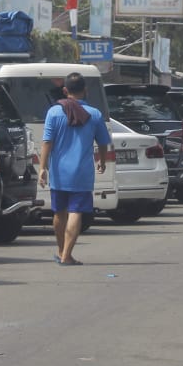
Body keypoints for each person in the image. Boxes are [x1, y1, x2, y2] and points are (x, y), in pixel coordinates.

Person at [37, 72, 111, 265]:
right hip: (82, 172)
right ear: (85, 90)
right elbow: (103, 143)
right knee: (75, 211)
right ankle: (66, 255)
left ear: (65, 90)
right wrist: (102, 161)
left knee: (59, 212)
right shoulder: (94, 114)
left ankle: (62, 252)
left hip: (59, 172)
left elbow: (47, 143)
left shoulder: (53, 112)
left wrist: (42, 168)